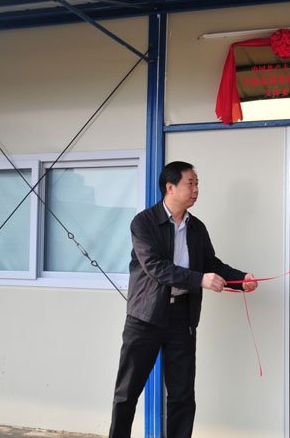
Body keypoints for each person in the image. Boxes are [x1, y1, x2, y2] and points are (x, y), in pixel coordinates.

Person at [109, 161, 257, 438]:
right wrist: (200, 279)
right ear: (170, 187)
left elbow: (211, 264)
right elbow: (155, 267)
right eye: (191, 183)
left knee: (182, 395)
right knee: (127, 392)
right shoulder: (143, 222)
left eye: (197, 184)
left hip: (182, 319)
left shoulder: (196, 227)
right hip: (145, 317)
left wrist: (241, 280)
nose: (196, 189)